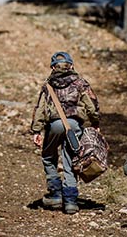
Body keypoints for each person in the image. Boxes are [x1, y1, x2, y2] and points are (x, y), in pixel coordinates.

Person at [30, 51, 100, 215]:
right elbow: (92, 106)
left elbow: (40, 109)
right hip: (74, 126)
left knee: (48, 156)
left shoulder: (48, 85)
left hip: (54, 125)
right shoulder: (81, 83)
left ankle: (55, 194)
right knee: (70, 160)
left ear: (53, 67)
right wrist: (95, 123)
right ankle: (70, 201)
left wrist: (36, 130)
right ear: (72, 66)